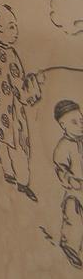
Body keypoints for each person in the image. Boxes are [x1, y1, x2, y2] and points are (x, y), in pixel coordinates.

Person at [0, 5, 44, 200]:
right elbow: (21, 91)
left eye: (15, 26)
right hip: (12, 107)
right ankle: (23, 182)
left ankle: (8, 172)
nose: (16, 31)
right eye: (11, 27)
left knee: (2, 137)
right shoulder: (10, 55)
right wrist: (35, 84)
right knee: (19, 143)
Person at [55, 98, 83, 269]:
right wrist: (71, 181)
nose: (80, 125)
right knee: (73, 218)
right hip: (74, 192)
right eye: (74, 122)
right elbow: (60, 169)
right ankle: (70, 246)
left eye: (81, 120)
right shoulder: (64, 146)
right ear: (63, 125)